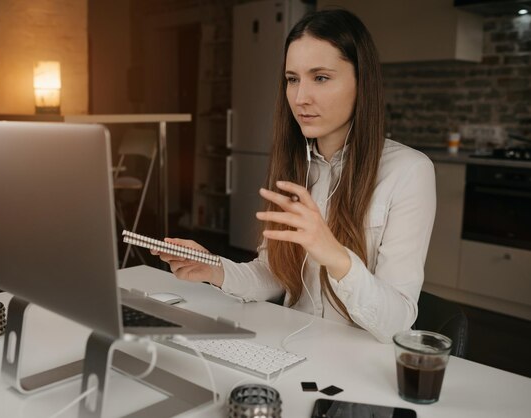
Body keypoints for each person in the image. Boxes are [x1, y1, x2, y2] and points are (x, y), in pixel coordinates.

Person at [153, 9, 436, 343]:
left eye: (320, 77)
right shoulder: (296, 163)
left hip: (363, 364)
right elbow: (275, 274)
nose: (301, 98)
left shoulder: (408, 171)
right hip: (293, 347)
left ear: (363, 82)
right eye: (292, 79)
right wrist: (214, 269)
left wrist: (333, 254)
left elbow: (398, 324)